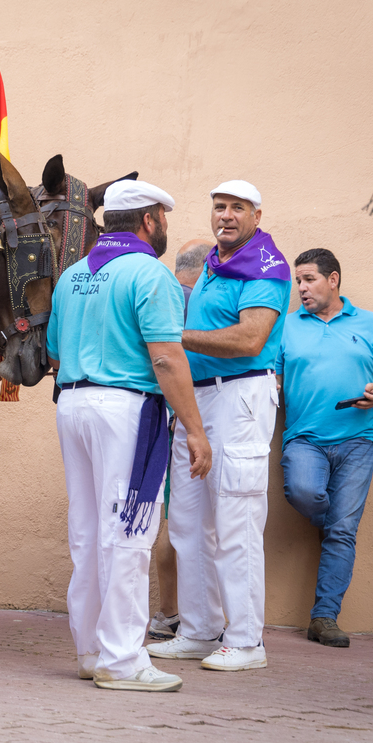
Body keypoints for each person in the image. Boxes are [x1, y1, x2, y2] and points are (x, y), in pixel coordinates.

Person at [49, 179, 212, 692]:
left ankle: (93, 650)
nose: (164, 226)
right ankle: (122, 661)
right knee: (128, 534)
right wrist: (195, 429)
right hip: (126, 408)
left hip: (71, 400)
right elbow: (165, 356)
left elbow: (54, 351)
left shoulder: (72, 275)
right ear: (149, 220)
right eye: (163, 217)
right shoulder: (151, 273)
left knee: (88, 533)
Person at [149, 180, 290, 672]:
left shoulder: (266, 265)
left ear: (256, 214)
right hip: (199, 401)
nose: (225, 216)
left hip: (242, 396)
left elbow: (251, 338)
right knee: (188, 522)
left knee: (236, 521)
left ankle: (247, 641)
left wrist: (174, 335)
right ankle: (200, 630)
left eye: (236, 208)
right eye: (218, 207)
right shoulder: (213, 262)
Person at [275, 249, 373, 647]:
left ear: (333, 279)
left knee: (343, 531)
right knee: (305, 493)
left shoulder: (369, 322)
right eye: (297, 281)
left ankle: (324, 618)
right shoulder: (286, 326)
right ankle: (327, 523)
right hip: (304, 437)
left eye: (308, 279)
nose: (301, 288)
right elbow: (272, 378)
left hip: (357, 440)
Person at [149, 238, 214, 641]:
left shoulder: (162, 290)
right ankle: (174, 613)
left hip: (151, 418)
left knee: (168, 520)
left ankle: (168, 612)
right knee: (181, 522)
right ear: (206, 267)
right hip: (180, 421)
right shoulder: (190, 300)